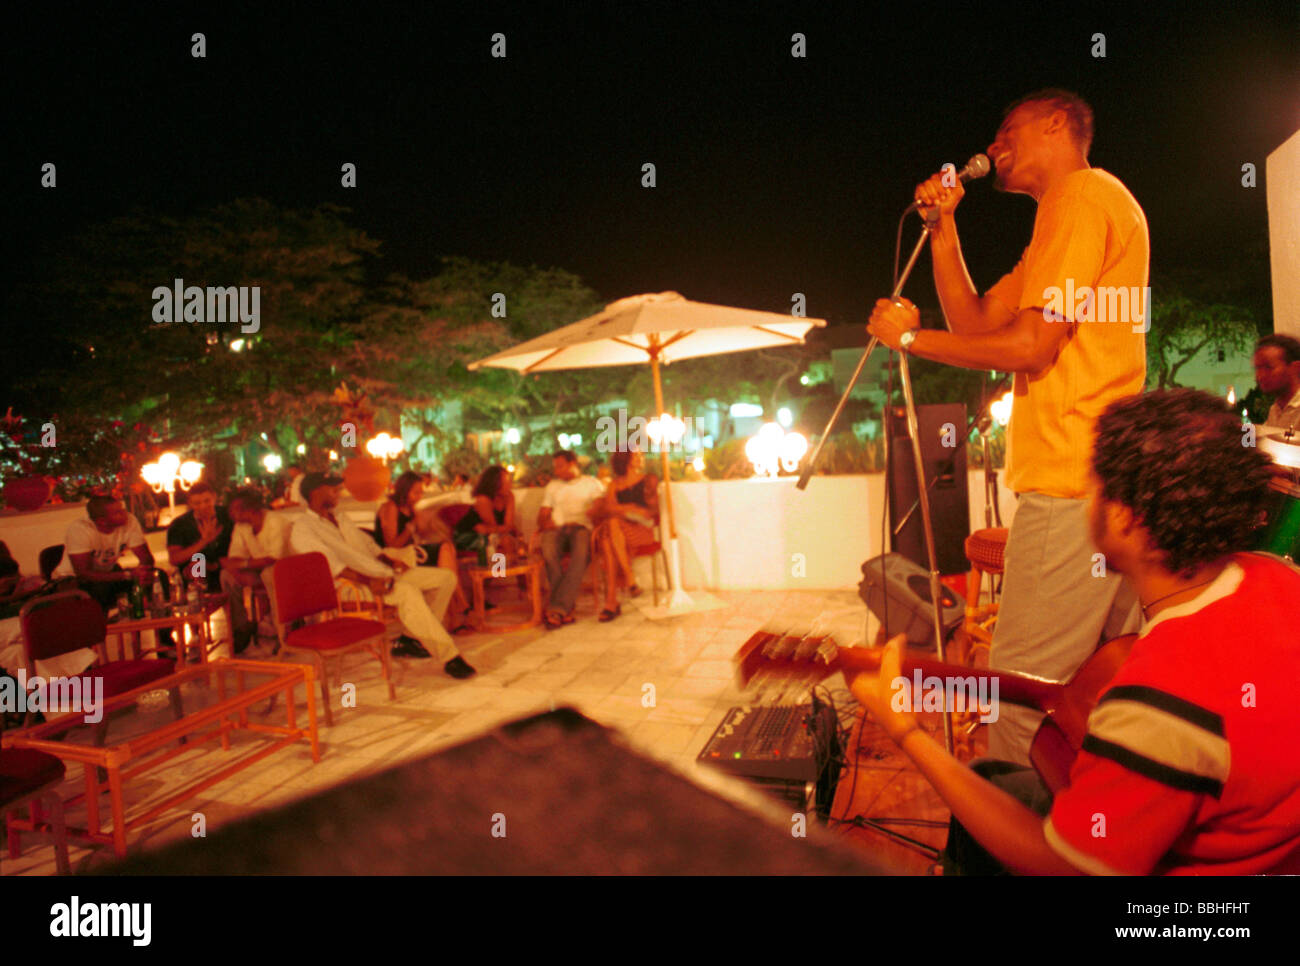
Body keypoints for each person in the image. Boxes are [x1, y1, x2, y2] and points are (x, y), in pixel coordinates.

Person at [847, 389, 1300, 875]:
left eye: (1094, 489)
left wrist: (906, 730)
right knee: (992, 777)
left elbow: (1060, 866)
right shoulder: (1276, 578)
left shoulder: (1163, 699)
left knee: (986, 795)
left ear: (1125, 516)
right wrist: (939, 680)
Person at [867, 89, 1146, 765]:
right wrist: (943, 230)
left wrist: (910, 342)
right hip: (1103, 488)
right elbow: (979, 321)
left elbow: (1030, 349)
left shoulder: (1082, 197)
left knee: (1018, 705)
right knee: (1102, 695)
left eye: (1006, 131)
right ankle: (1091, 846)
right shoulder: (1065, 216)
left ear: (1057, 124)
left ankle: (999, 853)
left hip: (1070, 486)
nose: (993, 148)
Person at [289, 472, 475, 678]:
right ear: (315, 492)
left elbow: (368, 545)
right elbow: (330, 567)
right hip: (349, 586)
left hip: (377, 573)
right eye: (333, 489)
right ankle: (450, 657)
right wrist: (370, 580)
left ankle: (411, 639)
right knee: (406, 592)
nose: (339, 493)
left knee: (445, 578)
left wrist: (389, 560)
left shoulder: (339, 517)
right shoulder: (303, 528)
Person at [375, 470, 472, 634]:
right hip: (394, 558)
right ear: (404, 490)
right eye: (416, 492)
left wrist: (430, 523)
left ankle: (458, 613)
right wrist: (411, 527)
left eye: (421, 492)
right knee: (445, 552)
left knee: (446, 549)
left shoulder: (411, 508)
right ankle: (462, 609)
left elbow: (423, 536)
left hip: (411, 554)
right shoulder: (390, 508)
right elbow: (392, 544)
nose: (419, 496)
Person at [166, 481, 247, 652]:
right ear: (190, 503)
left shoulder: (228, 516)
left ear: (214, 498)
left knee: (228, 576)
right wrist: (204, 541)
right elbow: (174, 558)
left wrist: (218, 563)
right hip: (197, 569)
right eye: (197, 503)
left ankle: (239, 631)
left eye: (207, 501)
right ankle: (196, 631)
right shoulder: (180, 525)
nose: (203, 506)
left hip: (227, 565)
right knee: (196, 567)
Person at [53, 495, 164, 613]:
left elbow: (146, 558)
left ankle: (160, 620)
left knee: (159, 576)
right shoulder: (80, 530)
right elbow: (83, 573)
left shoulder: (129, 521)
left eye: (122, 509)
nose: (124, 514)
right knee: (100, 590)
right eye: (117, 512)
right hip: (73, 579)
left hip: (108, 573)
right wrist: (127, 574)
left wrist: (143, 573)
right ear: (102, 521)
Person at [537, 450, 605, 627]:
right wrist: (545, 522)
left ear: (573, 463)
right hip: (558, 529)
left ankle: (557, 608)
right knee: (547, 548)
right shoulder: (553, 486)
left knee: (580, 554)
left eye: (560, 467)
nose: (556, 471)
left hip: (582, 529)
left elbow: (599, 509)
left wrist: (593, 511)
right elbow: (542, 515)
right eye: (555, 468)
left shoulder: (592, 484)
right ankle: (565, 607)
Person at [595, 448, 659, 621]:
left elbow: (652, 511)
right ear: (626, 459)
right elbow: (608, 508)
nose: (641, 457)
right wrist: (630, 508)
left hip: (641, 530)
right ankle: (620, 589)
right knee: (611, 532)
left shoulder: (647, 480)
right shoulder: (614, 484)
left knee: (610, 533)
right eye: (636, 455)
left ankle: (612, 601)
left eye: (641, 454)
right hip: (620, 533)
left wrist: (626, 510)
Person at [221, 487, 289, 642]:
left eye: (235, 510)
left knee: (269, 574)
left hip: (284, 568)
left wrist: (243, 564)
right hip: (257, 569)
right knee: (226, 575)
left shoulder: (275, 521)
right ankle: (240, 628)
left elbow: (275, 557)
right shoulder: (241, 526)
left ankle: (282, 629)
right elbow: (235, 555)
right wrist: (236, 569)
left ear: (250, 509)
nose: (231, 514)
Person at [452, 464, 520, 559]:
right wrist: (500, 529)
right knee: (503, 542)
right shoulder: (483, 499)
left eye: (509, 481)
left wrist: (496, 529)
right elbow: (494, 528)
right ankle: (501, 572)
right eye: (505, 481)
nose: (510, 485)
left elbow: (508, 525)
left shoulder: (509, 496)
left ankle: (512, 571)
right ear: (494, 483)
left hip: (488, 535)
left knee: (507, 540)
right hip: (468, 536)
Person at [1253, 333, 1300, 432]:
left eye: (1268, 367)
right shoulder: (1275, 409)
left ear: (1295, 368)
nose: (1260, 376)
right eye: (1258, 368)